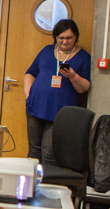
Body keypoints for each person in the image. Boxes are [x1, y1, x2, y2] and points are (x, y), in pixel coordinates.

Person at [22, 18, 92, 161]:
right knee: (34, 151)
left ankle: (49, 176)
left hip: (60, 111)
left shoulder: (84, 57)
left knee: (49, 153)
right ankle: (32, 176)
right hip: (36, 106)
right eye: (61, 38)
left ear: (76, 37)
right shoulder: (47, 51)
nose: (64, 42)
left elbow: (84, 88)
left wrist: (73, 76)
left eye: (68, 38)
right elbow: (30, 73)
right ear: (55, 37)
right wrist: (28, 93)